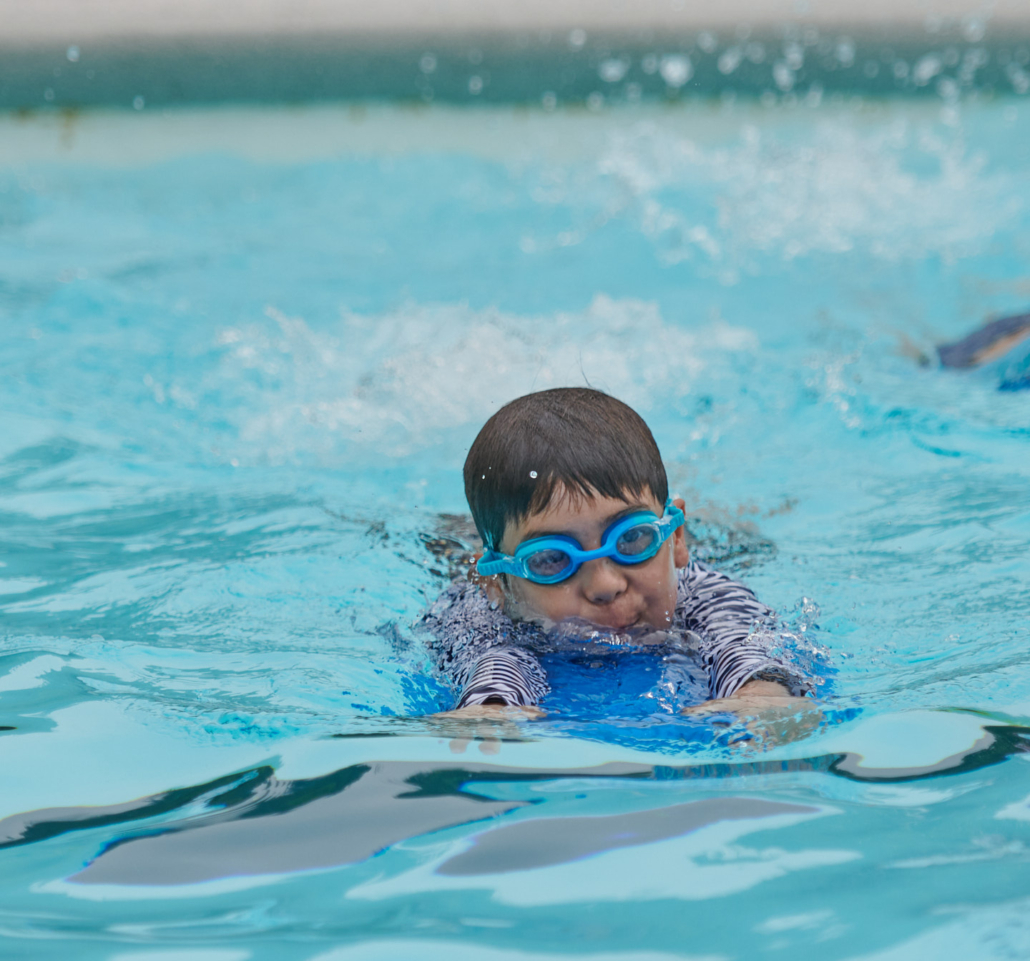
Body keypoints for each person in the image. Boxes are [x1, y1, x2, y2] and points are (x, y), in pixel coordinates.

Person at [421, 387, 817, 722]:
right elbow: (493, 664)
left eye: (632, 538)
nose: (605, 585)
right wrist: (491, 710)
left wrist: (759, 690)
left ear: (677, 539)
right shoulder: (480, 619)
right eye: (551, 559)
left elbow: (740, 638)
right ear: (497, 583)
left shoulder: (702, 592)